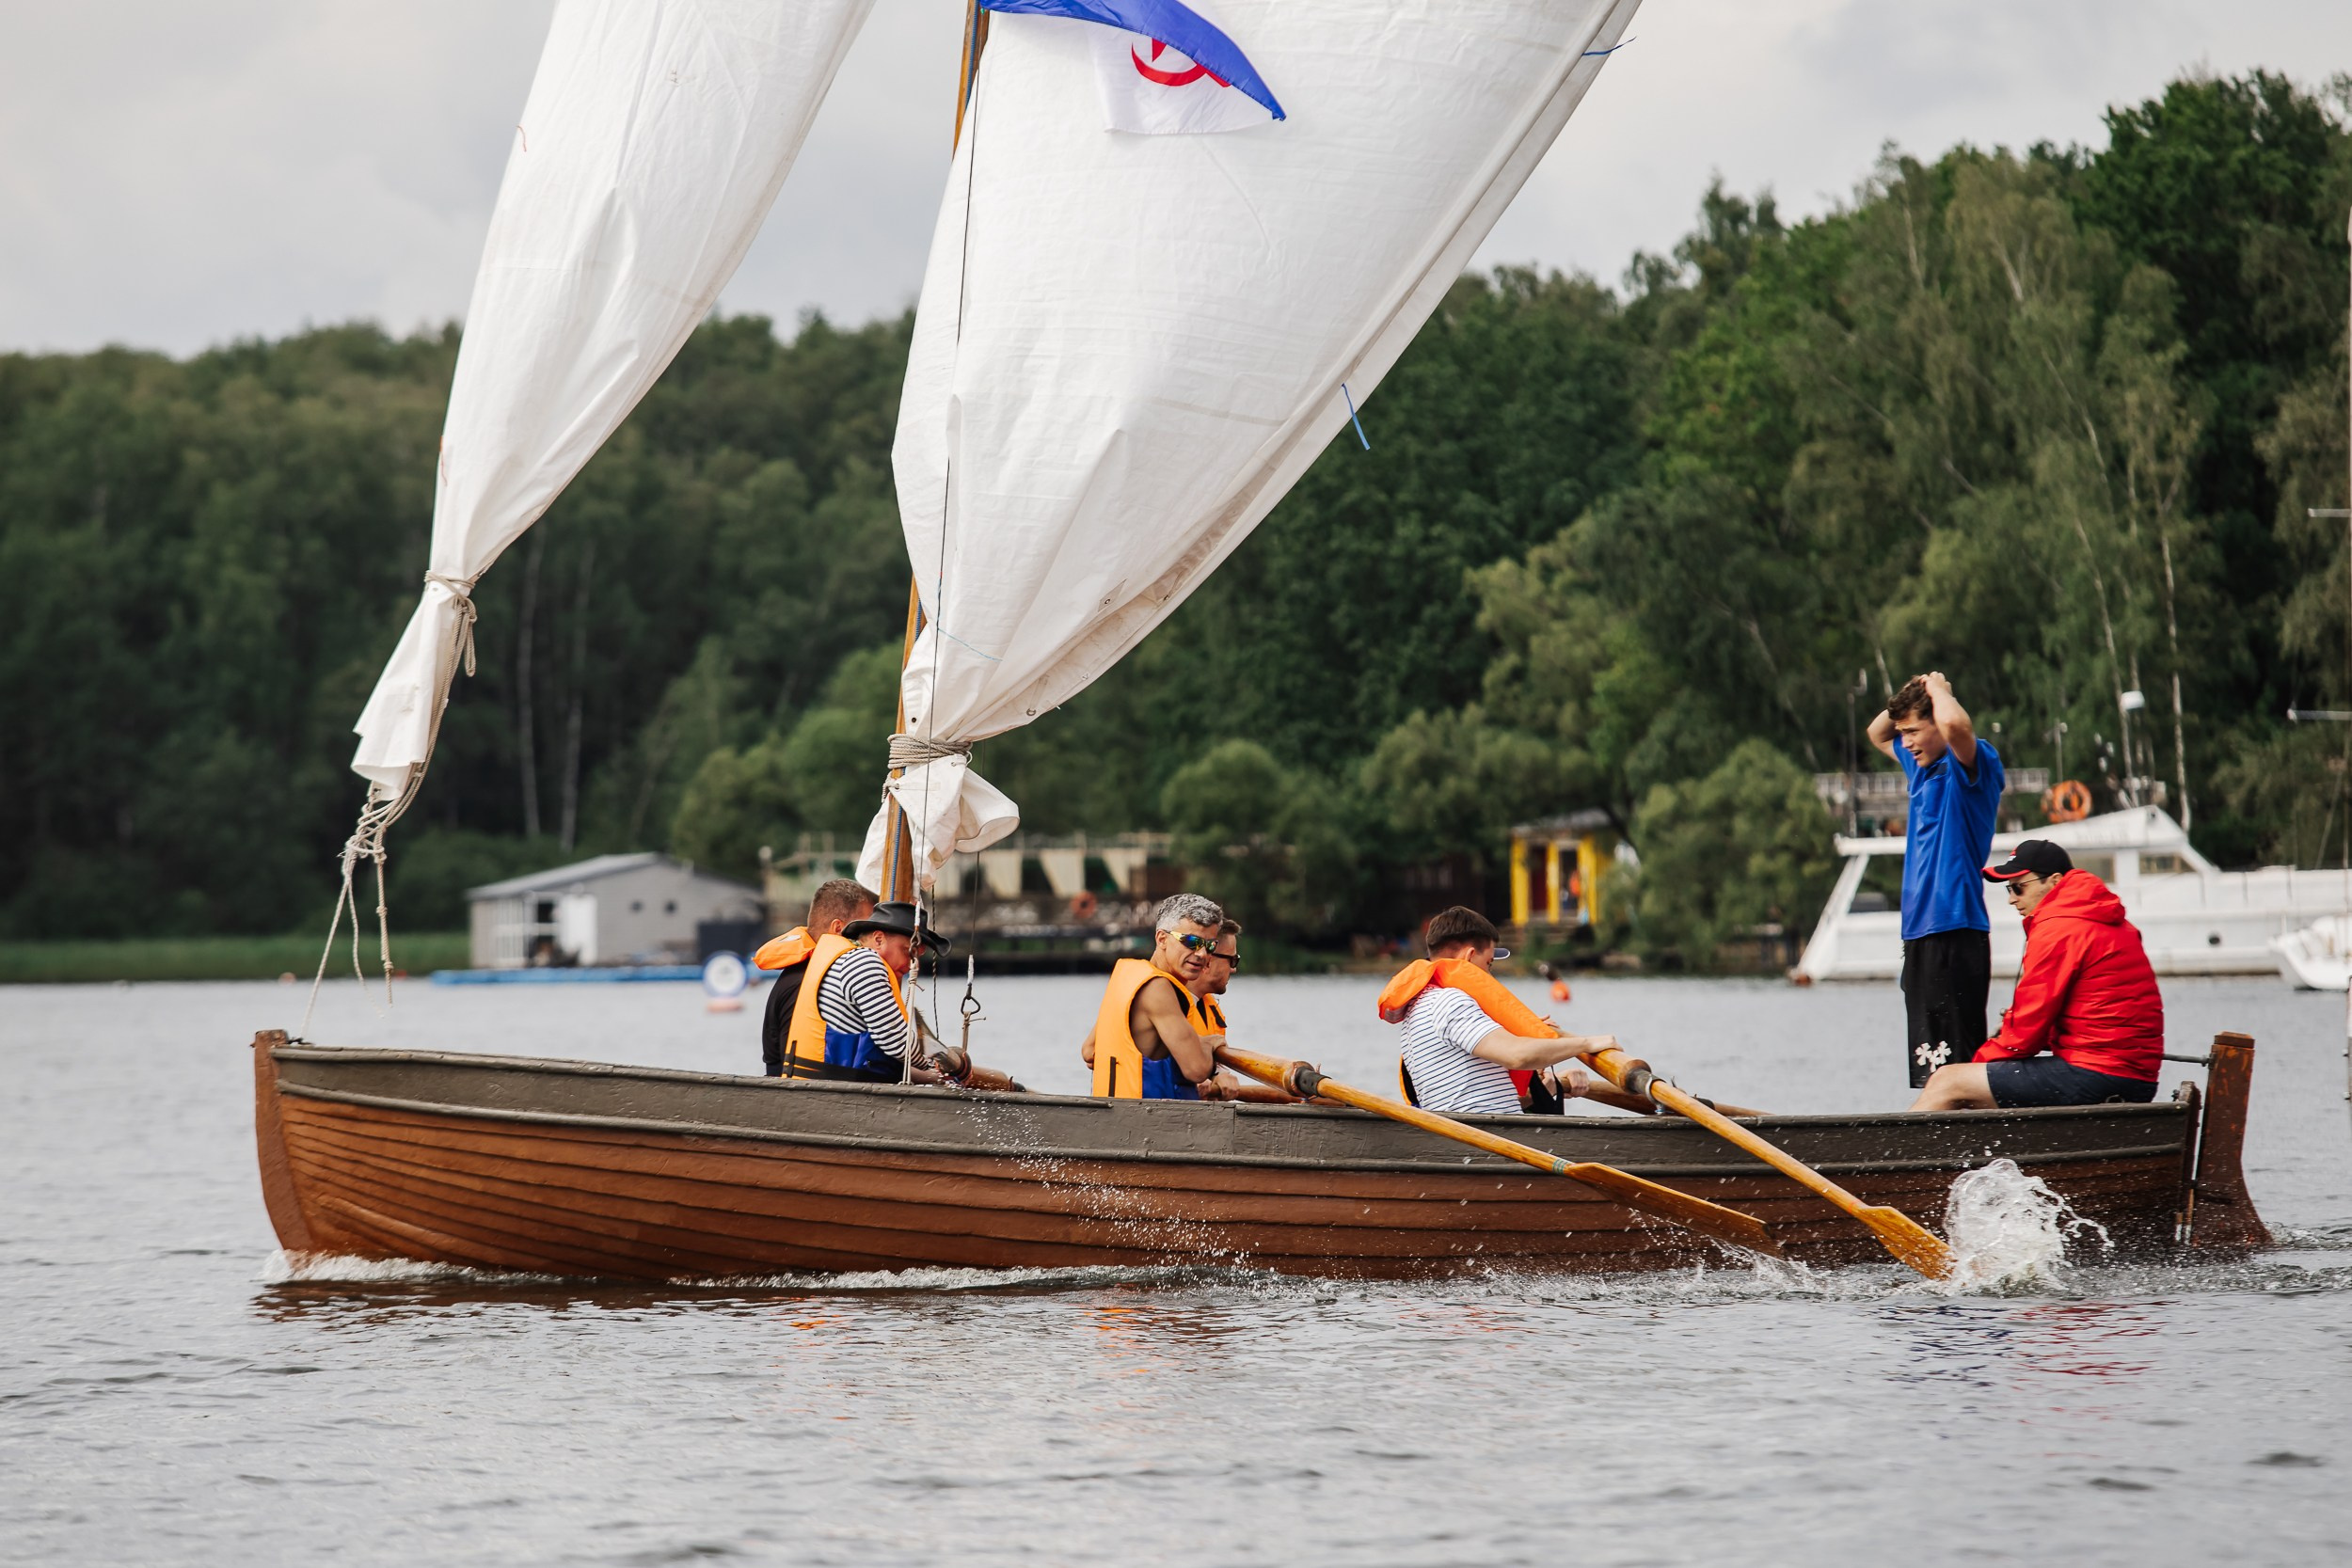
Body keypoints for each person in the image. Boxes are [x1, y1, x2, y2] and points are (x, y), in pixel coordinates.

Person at [1910, 841, 2163, 1110]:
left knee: (1947, 1082)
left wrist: (1976, 1066)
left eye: (2020, 887)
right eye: (2009, 889)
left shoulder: (2060, 928)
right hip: (2129, 1073)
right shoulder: (2099, 918)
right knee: (1968, 1082)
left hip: (2101, 1073)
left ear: (2054, 881)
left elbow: (2027, 1029)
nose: (2012, 899)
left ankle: (1900, 1139)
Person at [1868, 672, 2006, 1088]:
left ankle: (1969, 1126)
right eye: (1904, 733)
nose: (1906, 742)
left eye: (1914, 731)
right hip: (1920, 932)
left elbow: (1956, 726)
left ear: (1937, 725)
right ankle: (1939, 1125)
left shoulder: (1971, 765)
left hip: (1955, 928)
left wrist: (1938, 690)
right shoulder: (1919, 768)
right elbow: (1876, 732)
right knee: (1931, 1063)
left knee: (1958, 1062)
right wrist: (1913, 689)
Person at [1382, 906, 1606, 1117]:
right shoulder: (1449, 1002)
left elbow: (1480, 1099)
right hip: (1485, 1137)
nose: (1490, 976)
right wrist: (1586, 1044)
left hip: (1475, 1130)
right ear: (1469, 957)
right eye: (1489, 963)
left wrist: (1551, 1084)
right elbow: (1517, 1055)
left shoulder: (1419, 1005)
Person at [1081, 894, 1247, 1101]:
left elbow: (1089, 1050)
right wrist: (1211, 1043)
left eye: (1210, 945)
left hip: (1115, 1112)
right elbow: (1196, 1069)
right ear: (1162, 939)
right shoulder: (1158, 988)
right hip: (1142, 1116)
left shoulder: (1132, 977)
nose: (1202, 954)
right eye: (1192, 942)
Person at [778, 899, 948, 1084]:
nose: (913, 965)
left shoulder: (846, 958)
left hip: (819, 1084)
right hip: (832, 1091)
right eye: (908, 952)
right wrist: (941, 1068)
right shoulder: (865, 963)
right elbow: (897, 1042)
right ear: (878, 939)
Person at [753, 879, 877, 1078]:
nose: (869, 940)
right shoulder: (806, 982)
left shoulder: (812, 973)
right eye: (864, 930)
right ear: (838, 929)